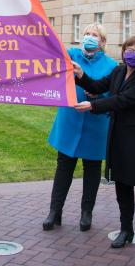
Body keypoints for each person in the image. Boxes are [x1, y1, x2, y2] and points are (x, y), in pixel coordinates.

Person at [73, 36, 135, 251]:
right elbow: (97, 86)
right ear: (123, 52)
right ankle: (125, 230)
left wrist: (92, 105)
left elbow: (122, 100)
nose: (133, 54)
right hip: (118, 139)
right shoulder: (118, 71)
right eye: (130, 49)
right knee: (123, 188)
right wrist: (80, 75)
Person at [44, 23, 118, 232]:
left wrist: (99, 96)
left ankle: (87, 212)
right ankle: (54, 211)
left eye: (94, 35)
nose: (89, 37)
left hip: (96, 123)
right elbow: (49, 51)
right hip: (70, 120)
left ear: (103, 42)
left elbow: (113, 94)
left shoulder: (111, 65)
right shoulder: (71, 55)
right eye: (86, 34)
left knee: (92, 170)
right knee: (63, 167)